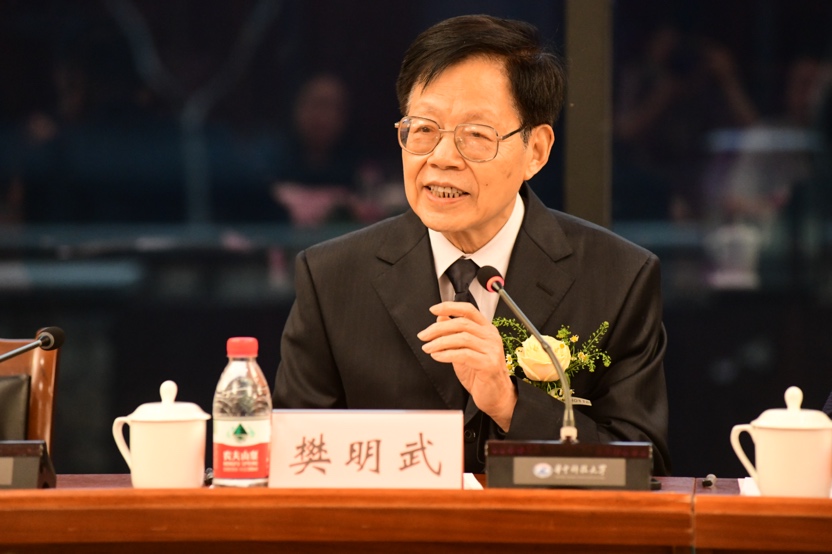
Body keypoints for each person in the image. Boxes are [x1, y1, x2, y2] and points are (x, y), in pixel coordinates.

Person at [273, 14, 671, 476]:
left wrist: (510, 403)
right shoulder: (332, 278)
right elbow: (295, 461)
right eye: (424, 129)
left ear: (536, 151)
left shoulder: (618, 278)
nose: (441, 158)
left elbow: (642, 469)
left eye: (476, 135)